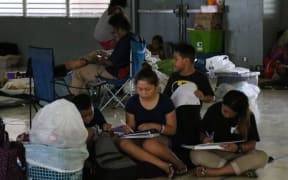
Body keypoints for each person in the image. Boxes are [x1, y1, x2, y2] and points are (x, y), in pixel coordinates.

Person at [118, 63, 187, 178]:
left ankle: (178, 164)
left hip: (160, 138)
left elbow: (172, 130)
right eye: (140, 89)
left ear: (156, 87)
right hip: (140, 137)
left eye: (148, 89)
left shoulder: (165, 102)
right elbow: (131, 126)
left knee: (149, 144)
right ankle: (163, 165)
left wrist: (153, 126)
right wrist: (126, 129)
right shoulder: (132, 102)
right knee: (124, 143)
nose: (144, 93)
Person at [190, 90, 268, 177]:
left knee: (262, 157)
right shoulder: (213, 110)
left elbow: (252, 144)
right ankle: (239, 168)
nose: (227, 116)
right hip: (217, 154)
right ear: (222, 104)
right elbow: (202, 132)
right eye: (225, 111)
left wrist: (237, 148)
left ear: (239, 113)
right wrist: (204, 139)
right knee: (195, 155)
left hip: (239, 155)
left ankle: (215, 172)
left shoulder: (248, 116)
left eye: (231, 114)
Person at [163, 43, 214, 166]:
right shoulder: (173, 77)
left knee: (190, 144)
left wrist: (203, 96)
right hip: (174, 119)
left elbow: (211, 97)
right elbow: (166, 97)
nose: (173, 62)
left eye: (176, 59)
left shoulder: (200, 77)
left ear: (186, 61)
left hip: (193, 120)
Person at [68, 13, 132, 95]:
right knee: (98, 54)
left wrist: (99, 60)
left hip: (114, 73)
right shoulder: (133, 38)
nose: (113, 32)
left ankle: (74, 100)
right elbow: (120, 56)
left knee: (78, 72)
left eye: (114, 29)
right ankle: (82, 98)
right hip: (127, 71)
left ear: (119, 28)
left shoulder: (123, 43)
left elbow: (110, 63)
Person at [71, 93, 112, 178]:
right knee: (90, 132)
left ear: (92, 108)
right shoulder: (72, 120)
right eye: (83, 116)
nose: (88, 118)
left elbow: (103, 124)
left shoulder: (96, 112)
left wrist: (106, 126)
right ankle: (87, 164)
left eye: (90, 114)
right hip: (78, 154)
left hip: (95, 151)